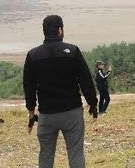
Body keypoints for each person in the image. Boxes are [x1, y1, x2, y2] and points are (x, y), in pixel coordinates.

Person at [23, 15, 98, 168]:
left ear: (44, 31)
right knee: (76, 153)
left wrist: (31, 112)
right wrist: (93, 103)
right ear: (60, 30)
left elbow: (29, 86)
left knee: (46, 155)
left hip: (47, 114)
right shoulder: (73, 51)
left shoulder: (33, 55)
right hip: (72, 112)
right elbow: (85, 80)